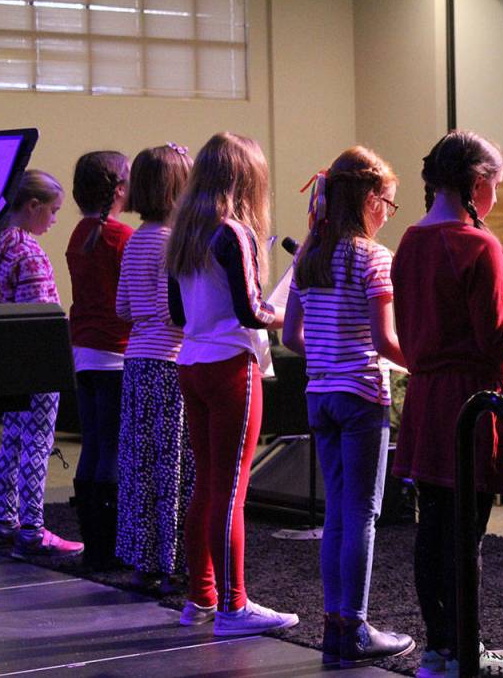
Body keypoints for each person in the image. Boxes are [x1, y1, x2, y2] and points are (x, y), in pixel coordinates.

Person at [390, 131, 503, 678]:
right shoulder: (480, 244)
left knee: (432, 530)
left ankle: (440, 648)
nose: (495, 196)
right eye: (494, 185)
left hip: (426, 398)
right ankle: (464, 653)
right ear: (477, 183)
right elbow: (495, 339)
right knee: (465, 533)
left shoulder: (409, 240)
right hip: (470, 399)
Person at [281, 147, 414, 666]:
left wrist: (329, 354)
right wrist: (424, 364)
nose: (387, 213)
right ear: (368, 198)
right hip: (361, 397)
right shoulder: (373, 257)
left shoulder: (309, 252)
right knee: (363, 514)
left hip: (319, 396)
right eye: (388, 202)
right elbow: (384, 341)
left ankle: (334, 624)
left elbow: (293, 334)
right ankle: (354, 629)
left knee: (337, 512)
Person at [166, 132, 298, 635]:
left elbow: (178, 314)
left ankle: (201, 597)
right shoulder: (233, 232)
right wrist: (291, 311)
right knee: (232, 492)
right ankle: (234, 607)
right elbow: (252, 311)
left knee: (208, 485)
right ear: (248, 178)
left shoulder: (186, 233)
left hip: (193, 362)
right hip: (229, 367)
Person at [0, 170, 83, 558]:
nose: (55, 219)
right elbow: (42, 313)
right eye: (52, 211)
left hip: (5, 358)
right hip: (36, 359)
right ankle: (32, 529)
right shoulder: (27, 252)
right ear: (32, 206)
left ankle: (5, 524)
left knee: (11, 440)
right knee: (38, 443)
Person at [114, 144, 194, 590]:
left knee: (140, 463)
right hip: (169, 363)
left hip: (136, 361)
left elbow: (124, 308)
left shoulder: (135, 241)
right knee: (174, 465)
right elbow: (175, 312)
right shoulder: (171, 243)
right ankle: (172, 559)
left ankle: (143, 555)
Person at [66, 150, 134, 570]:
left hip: (84, 351)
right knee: (111, 447)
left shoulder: (79, 233)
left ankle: (94, 544)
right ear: (121, 190)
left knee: (93, 444)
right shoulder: (119, 237)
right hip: (114, 352)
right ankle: (108, 549)